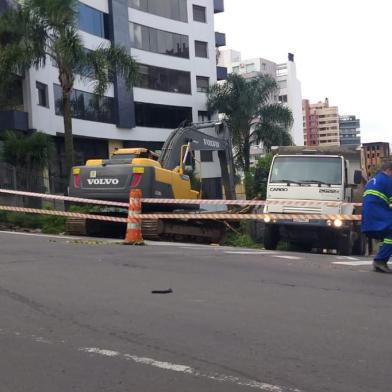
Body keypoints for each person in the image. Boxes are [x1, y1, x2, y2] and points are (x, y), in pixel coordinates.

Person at [361, 161, 392, 273]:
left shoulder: (372, 180)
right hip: (377, 212)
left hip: (369, 213)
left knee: (385, 235)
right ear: (389, 170)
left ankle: (379, 262)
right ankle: (380, 261)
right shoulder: (388, 181)